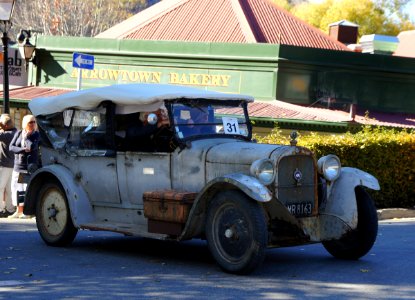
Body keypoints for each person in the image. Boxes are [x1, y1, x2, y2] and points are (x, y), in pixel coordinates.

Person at [8, 115, 40, 219]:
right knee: (17, 189)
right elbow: (11, 147)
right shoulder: (18, 133)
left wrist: (27, 138)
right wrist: (22, 150)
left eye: (34, 122)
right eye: (30, 122)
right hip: (18, 165)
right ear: (25, 123)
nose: (33, 124)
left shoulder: (36, 135)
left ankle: (29, 212)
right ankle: (19, 210)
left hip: (30, 166)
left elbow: (31, 147)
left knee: (28, 189)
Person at [0, 114, 17, 218]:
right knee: (9, 188)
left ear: (4, 125)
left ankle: (1, 209)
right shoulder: (16, 132)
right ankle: (10, 209)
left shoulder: (6, 135)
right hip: (12, 165)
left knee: (0, 188)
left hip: (4, 165)